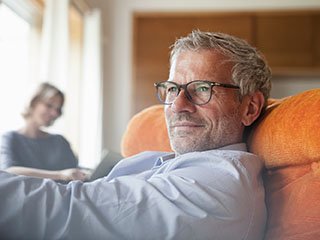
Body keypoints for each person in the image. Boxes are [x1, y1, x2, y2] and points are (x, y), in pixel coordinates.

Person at [0, 30, 271, 240]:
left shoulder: (216, 187)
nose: (176, 106)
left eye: (201, 89)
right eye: (172, 89)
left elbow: (66, 211)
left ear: (249, 107)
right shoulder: (183, 164)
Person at [0, 82, 89, 182]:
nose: (54, 113)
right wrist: (59, 175)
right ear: (33, 102)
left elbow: (75, 171)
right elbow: (8, 171)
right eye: (49, 105)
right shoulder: (11, 138)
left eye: (58, 109)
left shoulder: (60, 141)